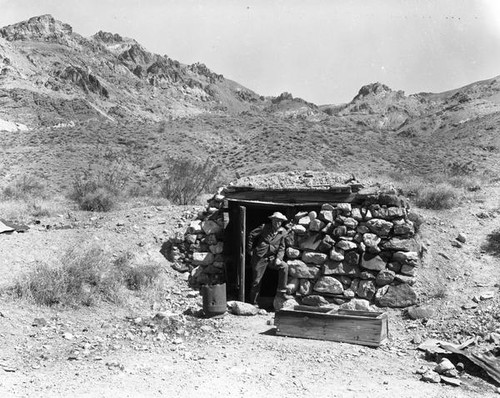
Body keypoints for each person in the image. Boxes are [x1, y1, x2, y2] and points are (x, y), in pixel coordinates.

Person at [246, 211, 290, 306]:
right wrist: (250, 249)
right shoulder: (264, 227)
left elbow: (282, 247)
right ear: (272, 220)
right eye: (275, 220)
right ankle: (254, 302)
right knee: (256, 281)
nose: (277, 223)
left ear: (282, 222)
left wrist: (279, 258)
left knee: (284, 266)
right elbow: (251, 235)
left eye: (279, 221)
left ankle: (282, 292)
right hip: (260, 256)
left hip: (272, 257)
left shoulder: (283, 232)